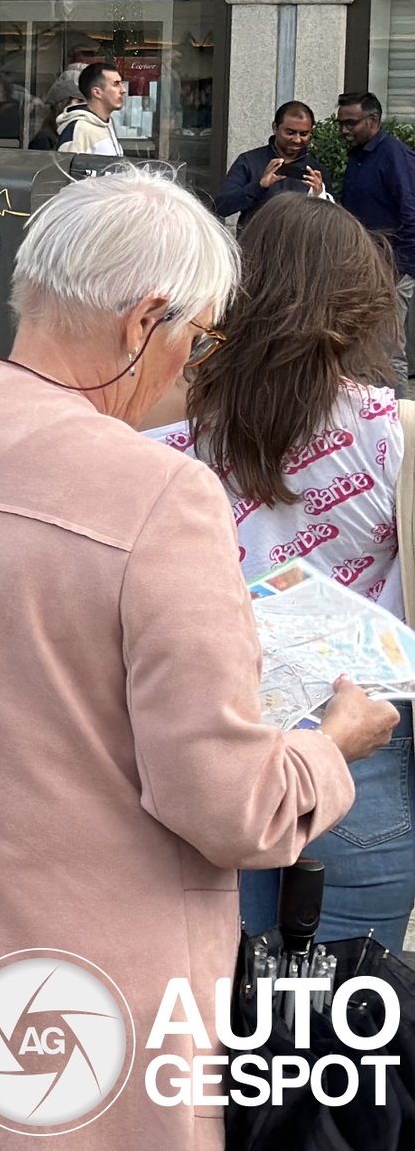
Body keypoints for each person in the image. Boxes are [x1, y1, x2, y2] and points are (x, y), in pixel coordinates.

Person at [0, 170, 393, 1151]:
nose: (193, 367)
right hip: (62, 1025)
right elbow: (226, 805)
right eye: (199, 338)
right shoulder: (155, 498)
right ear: (145, 321)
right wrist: (329, 746)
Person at [143, 193, 415, 947]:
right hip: (361, 743)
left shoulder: (165, 422)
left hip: (212, 739)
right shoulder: (395, 435)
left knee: (222, 1022)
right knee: (348, 1031)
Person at [339, 91, 415, 386]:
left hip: (393, 267)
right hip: (364, 267)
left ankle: (397, 424)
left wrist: (401, 267)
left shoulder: (394, 155)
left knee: (389, 350)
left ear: (373, 120)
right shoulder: (359, 157)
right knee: (362, 349)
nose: (345, 130)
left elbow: (411, 209)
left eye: (351, 123)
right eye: (341, 123)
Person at [214, 97, 327, 225]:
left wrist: (320, 196)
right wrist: (259, 186)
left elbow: (330, 220)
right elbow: (221, 207)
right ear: (275, 127)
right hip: (255, 241)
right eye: (290, 132)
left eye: (304, 134)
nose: (297, 140)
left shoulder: (316, 170)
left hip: (298, 242)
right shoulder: (249, 161)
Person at [56, 59, 126, 155]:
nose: (123, 90)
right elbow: (66, 168)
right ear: (97, 92)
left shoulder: (106, 123)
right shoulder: (79, 129)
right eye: (116, 84)